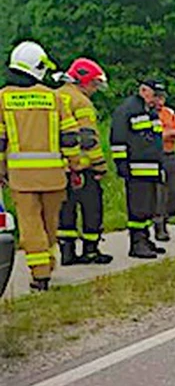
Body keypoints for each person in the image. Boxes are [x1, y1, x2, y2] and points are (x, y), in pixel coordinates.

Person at [0, 41, 82, 291]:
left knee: (30, 226)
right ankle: (47, 264)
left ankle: (40, 275)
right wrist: (75, 166)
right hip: (54, 176)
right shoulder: (54, 97)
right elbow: (70, 137)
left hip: (21, 178)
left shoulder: (3, 98)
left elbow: (0, 141)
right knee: (49, 224)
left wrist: (1, 170)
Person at [55, 58, 113, 265]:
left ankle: (67, 253)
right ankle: (91, 250)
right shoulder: (81, 102)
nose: (95, 89)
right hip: (82, 166)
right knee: (92, 207)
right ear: (84, 81)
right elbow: (88, 138)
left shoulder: (55, 96)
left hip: (59, 167)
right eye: (94, 84)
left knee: (65, 209)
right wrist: (99, 165)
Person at [110, 78, 166, 259]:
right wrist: (121, 164)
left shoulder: (150, 111)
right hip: (136, 169)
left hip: (150, 169)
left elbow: (154, 142)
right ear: (143, 90)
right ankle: (137, 243)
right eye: (155, 95)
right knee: (138, 208)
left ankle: (145, 239)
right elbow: (118, 137)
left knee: (149, 207)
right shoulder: (128, 109)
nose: (158, 100)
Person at [154, 88, 175, 242]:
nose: (160, 102)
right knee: (159, 192)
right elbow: (153, 136)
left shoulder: (169, 113)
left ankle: (169, 214)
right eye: (157, 98)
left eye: (162, 99)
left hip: (171, 155)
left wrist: (166, 134)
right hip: (156, 156)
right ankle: (160, 225)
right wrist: (169, 134)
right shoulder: (147, 115)